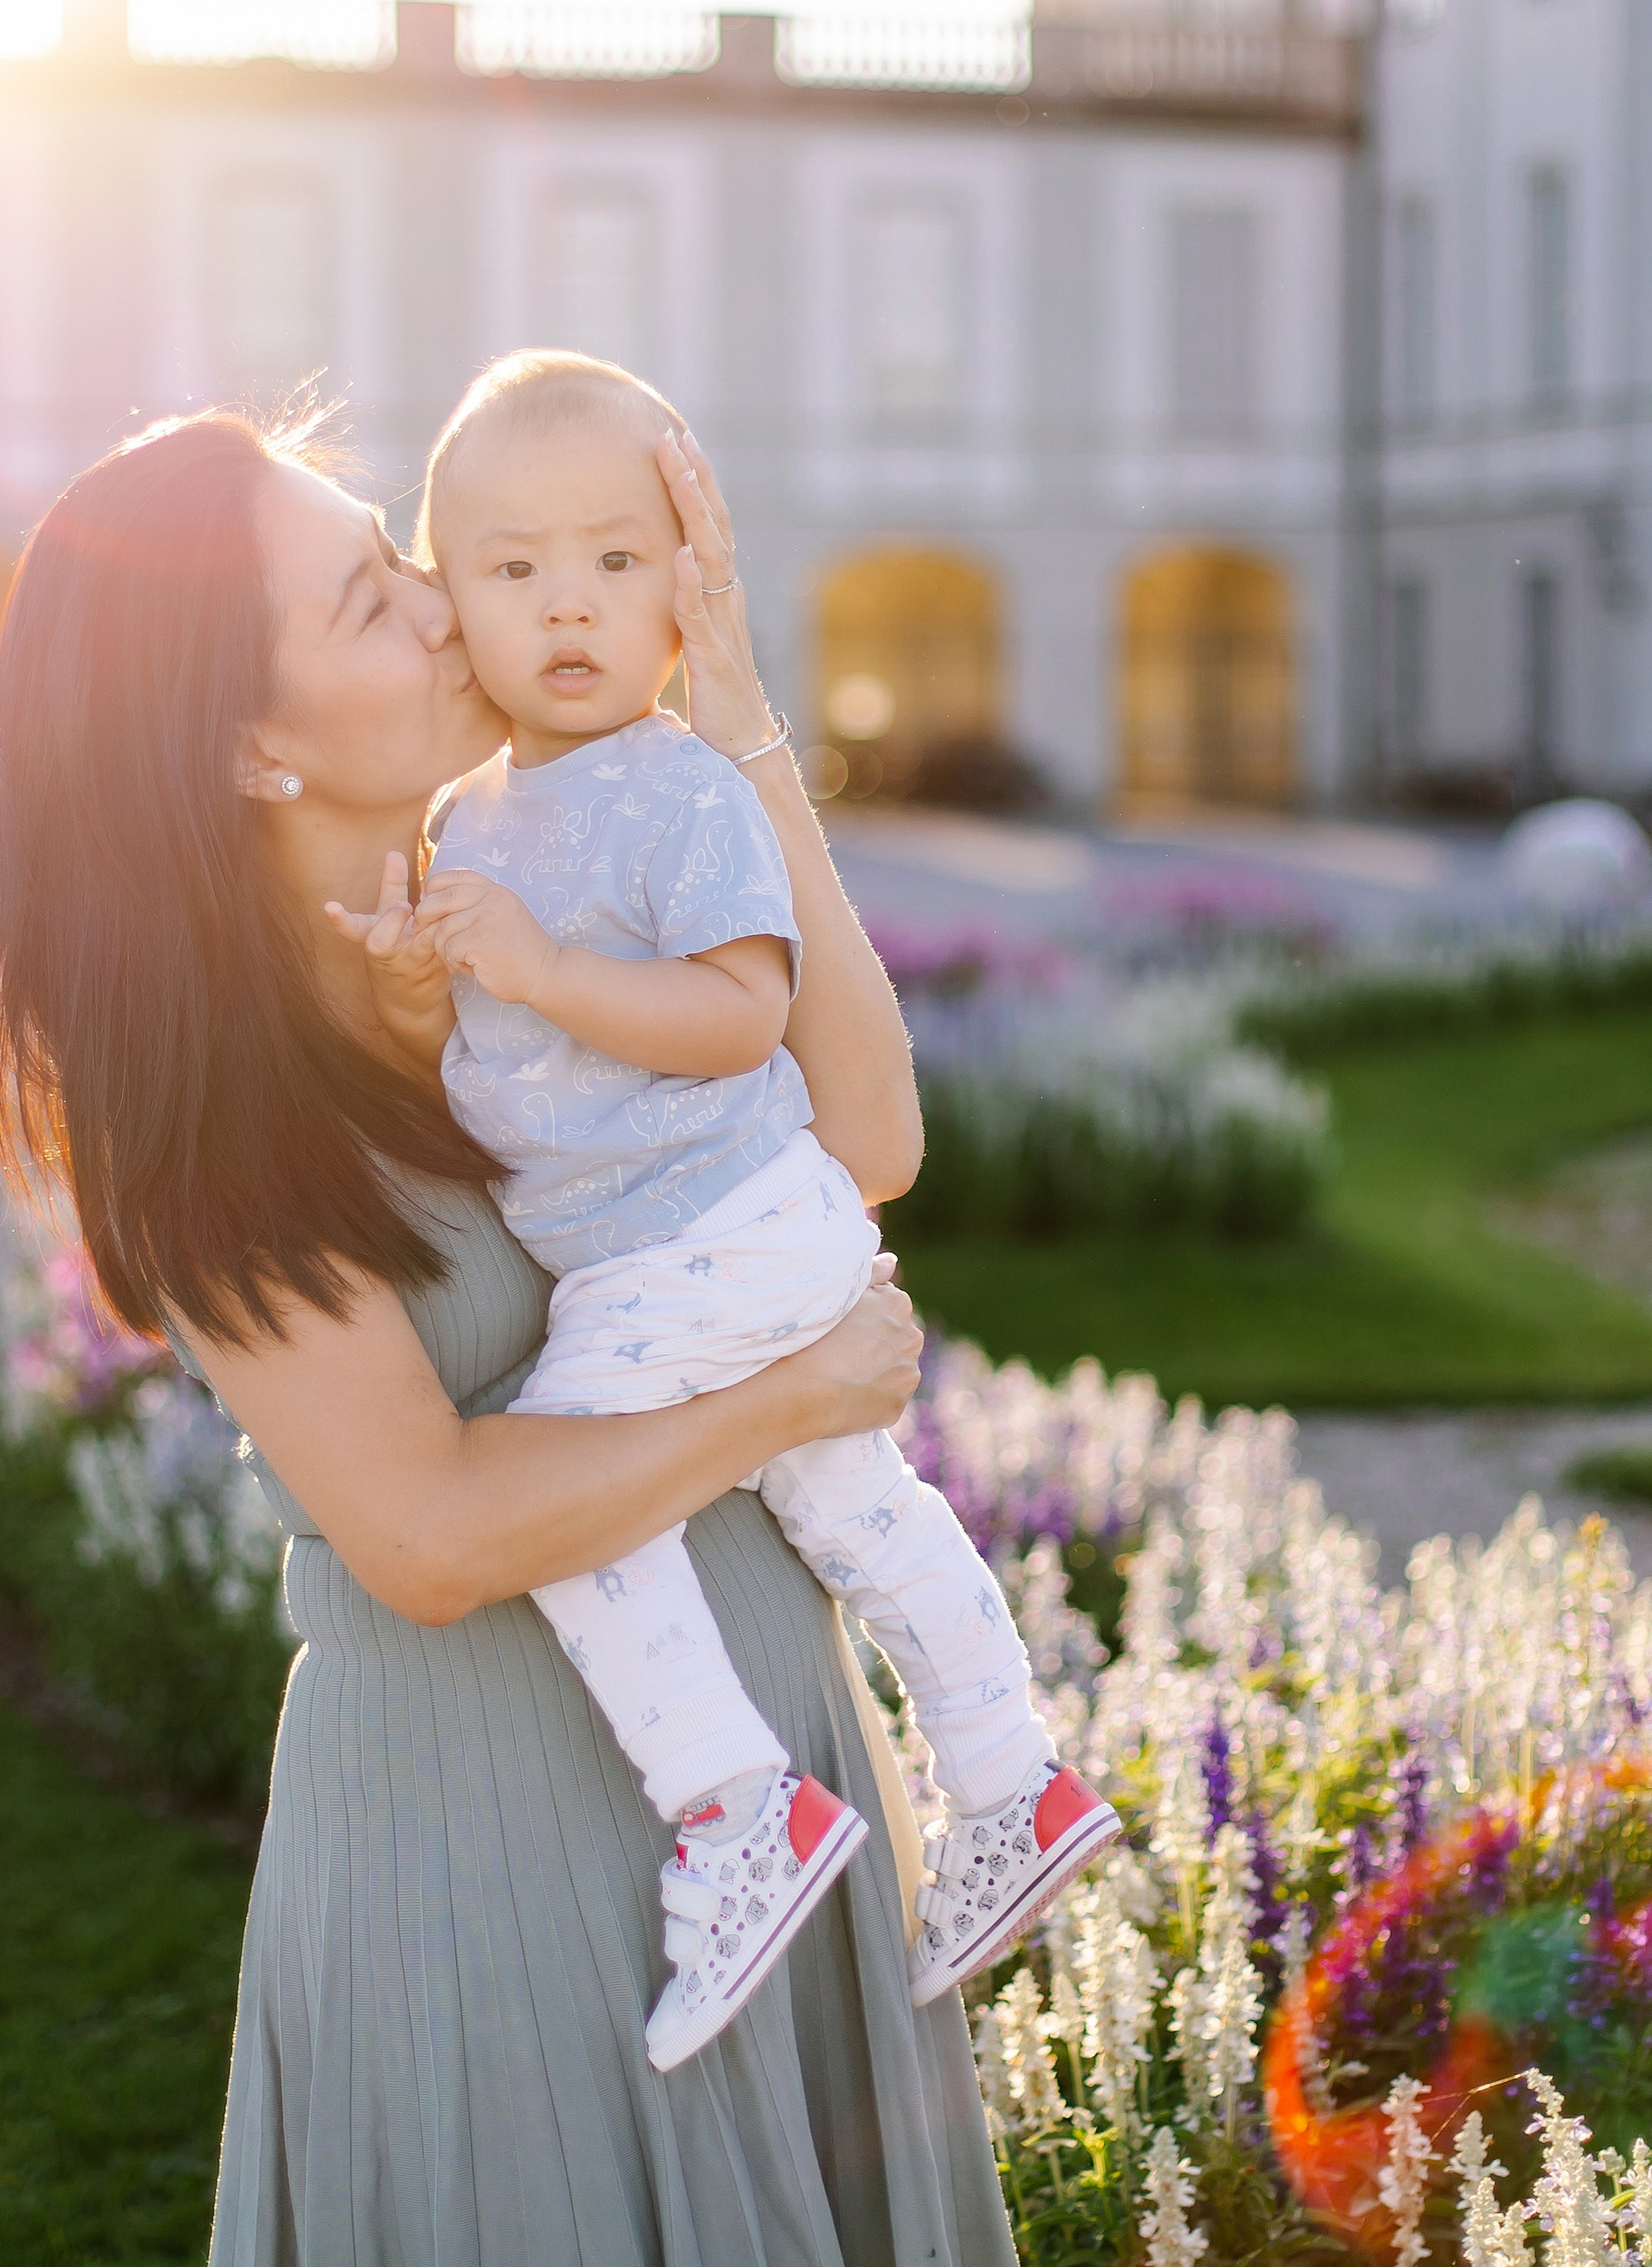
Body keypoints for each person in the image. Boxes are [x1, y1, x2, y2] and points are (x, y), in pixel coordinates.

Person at [0, 400, 1020, 2265]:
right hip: (505, 1841)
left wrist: (735, 724)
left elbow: (861, 1139)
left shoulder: (532, 877)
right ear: (247, 744)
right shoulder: (211, 1097)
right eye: (376, 601)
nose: (456, 607)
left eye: (408, 559)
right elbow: (431, 1532)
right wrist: (795, 1388)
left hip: (766, 1765)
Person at [328, 349, 1118, 2073]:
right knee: (852, 1495)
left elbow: (737, 1014)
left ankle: (733, 1800)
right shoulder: (476, 820)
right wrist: (420, 985)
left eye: (617, 561)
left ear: (684, 589)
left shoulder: (675, 785)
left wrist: (533, 960)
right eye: (515, 566)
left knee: (567, 1493)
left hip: (704, 1230)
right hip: (709, 1238)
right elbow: (478, 1053)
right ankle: (1009, 1774)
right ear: (447, 595)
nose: (568, 606)